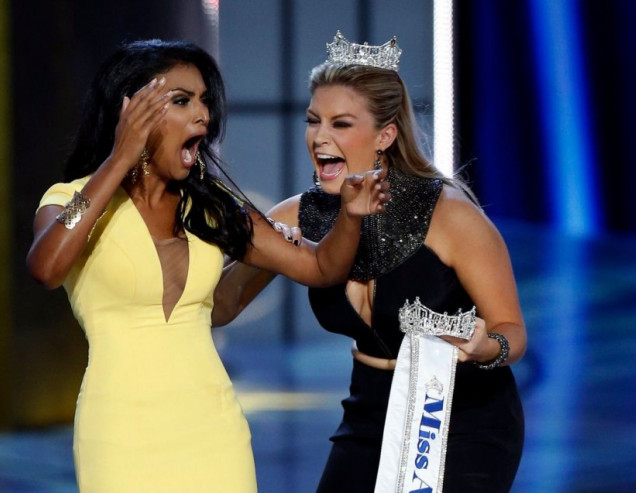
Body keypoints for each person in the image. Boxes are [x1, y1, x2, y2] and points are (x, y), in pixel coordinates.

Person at [26, 38, 390, 492]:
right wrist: (118, 160)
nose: (203, 115)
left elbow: (319, 268)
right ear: (130, 112)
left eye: (205, 102)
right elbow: (47, 266)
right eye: (182, 101)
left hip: (213, 431)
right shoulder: (71, 202)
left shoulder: (213, 209)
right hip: (117, 432)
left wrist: (351, 217)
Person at [216, 31, 526, 492]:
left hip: (462, 417)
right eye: (313, 120)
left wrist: (488, 350)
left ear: (384, 135)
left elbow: (512, 332)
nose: (320, 137)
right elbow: (221, 306)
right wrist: (252, 243)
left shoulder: (451, 217)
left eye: (340, 124)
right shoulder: (295, 216)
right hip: (368, 413)